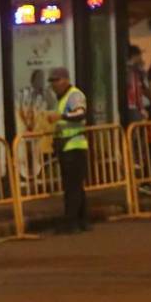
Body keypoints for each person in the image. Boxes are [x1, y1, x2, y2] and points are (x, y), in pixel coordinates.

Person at [45, 67, 91, 232]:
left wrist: (61, 117)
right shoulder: (61, 98)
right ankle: (82, 221)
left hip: (74, 145)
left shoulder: (74, 95)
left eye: (56, 80)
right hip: (67, 145)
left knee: (71, 187)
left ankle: (70, 223)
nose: (53, 85)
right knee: (76, 186)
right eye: (52, 82)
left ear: (65, 79)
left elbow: (80, 114)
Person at [125, 45, 151, 124]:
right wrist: (141, 108)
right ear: (135, 56)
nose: (141, 58)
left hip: (134, 106)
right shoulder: (133, 71)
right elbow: (136, 91)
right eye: (139, 55)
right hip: (134, 106)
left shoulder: (134, 70)